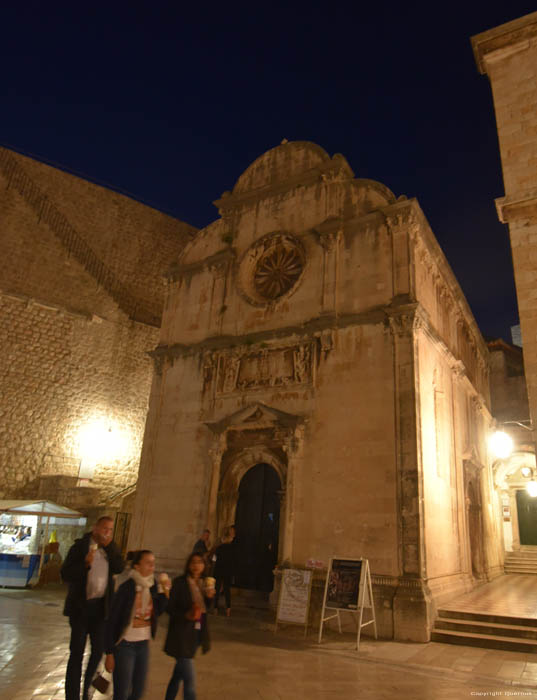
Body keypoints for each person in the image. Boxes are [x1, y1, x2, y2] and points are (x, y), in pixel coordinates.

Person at [61, 516, 124, 700]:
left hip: (100, 608)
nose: (107, 532)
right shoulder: (80, 547)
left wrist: (110, 547)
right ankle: (72, 695)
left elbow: (119, 567)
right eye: (104, 528)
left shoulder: (110, 550)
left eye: (110, 530)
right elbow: (66, 573)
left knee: (98, 650)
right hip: (81, 608)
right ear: (95, 528)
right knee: (77, 653)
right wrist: (85, 564)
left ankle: (87, 688)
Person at [104, 550, 170, 700]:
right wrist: (109, 653)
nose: (152, 566)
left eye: (153, 563)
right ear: (137, 566)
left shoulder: (152, 586)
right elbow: (112, 621)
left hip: (143, 645)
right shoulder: (126, 588)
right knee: (122, 692)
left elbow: (157, 612)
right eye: (148, 563)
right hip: (125, 645)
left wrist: (164, 592)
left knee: (138, 691)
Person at [163, 553, 214, 700]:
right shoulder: (180, 583)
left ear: (204, 565)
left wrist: (210, 598)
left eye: (200, 562)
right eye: (193, 562)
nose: (196, 565)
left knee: (178, 675)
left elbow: (205, 608)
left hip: (196, 634)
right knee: (190, 682)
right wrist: (185, 615)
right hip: (181, 634)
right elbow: (170, 607)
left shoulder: (204, 583)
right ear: (188, 564)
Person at [213, 530, 235, 617]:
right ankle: (228, 609)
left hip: (218, 571)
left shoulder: (218, 548)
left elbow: (214, 560)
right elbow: (233, 562)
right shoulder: (232, 549)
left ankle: (215, 608)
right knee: (227, 590)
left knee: (217, 590)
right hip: (228, 572)